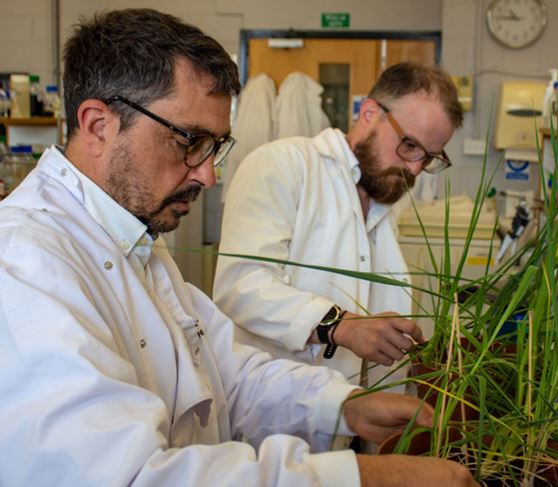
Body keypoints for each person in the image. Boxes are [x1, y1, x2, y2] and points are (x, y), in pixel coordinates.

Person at [0, 9, 477, 487]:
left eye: (215, 147)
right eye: (191, 141)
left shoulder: (136, 241)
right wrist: (366, 478)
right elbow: (131, 476)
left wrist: (342, 405)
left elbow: (229, 374)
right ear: (99, 124)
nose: (207, 175)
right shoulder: (25, 262)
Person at [213, 62, 463, 387]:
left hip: (359, 414)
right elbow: (240, 287)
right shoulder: (282, 164)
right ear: (370, 113)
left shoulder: (386, 198)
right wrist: (340, 325)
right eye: (410, 145)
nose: (415, 169)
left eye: (429, 158)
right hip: (276, 411)